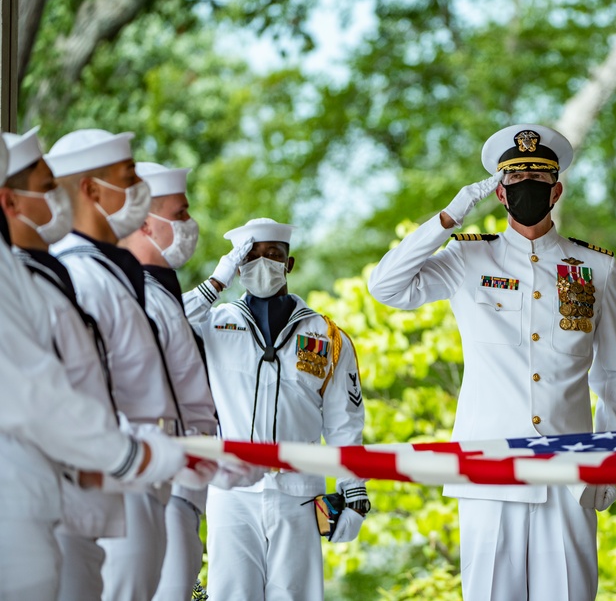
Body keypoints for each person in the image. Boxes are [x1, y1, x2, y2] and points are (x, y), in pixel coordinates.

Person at [367, 123, 616, 600]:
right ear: (500, 193)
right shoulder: (469, 259)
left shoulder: (596, 268)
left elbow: (613, 376)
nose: (526, 193)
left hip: (568, 476)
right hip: (489, 473)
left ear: (556, 190)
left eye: (536, 184)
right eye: (514, 185)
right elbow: (387, 287)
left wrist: (608, 462)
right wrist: (451, 215)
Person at [0, 133, 186, 601]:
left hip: (86, 480)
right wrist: (123, 453)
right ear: (9, 200)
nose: (58, 197)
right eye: (47, 187)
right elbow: (33, 392)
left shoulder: (34, 274)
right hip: (57, 486)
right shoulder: (47, 275)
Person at [184, 218, 368, 601]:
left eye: (273, 255)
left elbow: (343, 424)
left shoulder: (326, 335)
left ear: (290, 264)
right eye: (250, 258)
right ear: (238, 266)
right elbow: (162, 325)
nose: (262, 264)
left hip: (299, 493)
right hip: (231, 491)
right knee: (230, 594)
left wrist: (355, 493)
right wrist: (216, 282)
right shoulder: (214, 324)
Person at [120, 162, 218, 601]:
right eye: (179, 214)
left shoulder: (164, 293)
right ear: (144, 222)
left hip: (182, 490)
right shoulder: (131, 295)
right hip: (151, 485)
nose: (189, 225)